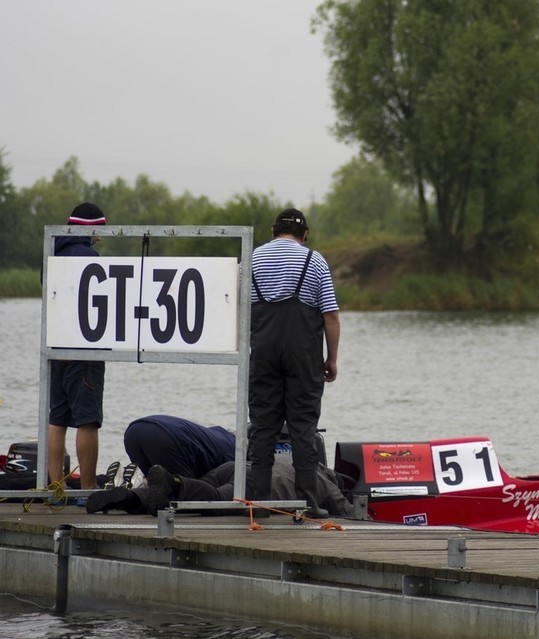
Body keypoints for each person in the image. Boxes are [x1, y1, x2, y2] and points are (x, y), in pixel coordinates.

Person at [247, 208, 340, 517]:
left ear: (274, 231)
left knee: (263, 425)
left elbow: (240, 310)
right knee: (303, 425)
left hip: (264, 351)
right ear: (306, 235)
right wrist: (332, 359)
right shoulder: (315, 260)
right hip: (304, 354)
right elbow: (330, 315)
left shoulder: (254, 258)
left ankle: (258, 502)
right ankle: (307, 503)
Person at [47, 202, 108, 491]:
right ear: (91, 228)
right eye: (99, 230)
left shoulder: (52, 252)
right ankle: (87, 489)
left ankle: (55, 488)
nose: (100, 237)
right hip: (84, 348)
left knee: (57, 418)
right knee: (88, 420)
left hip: (55, 345)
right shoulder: (88, 257)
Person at [85, 454, 350, 517]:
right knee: (214, 499)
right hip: (252, 481)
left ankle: (132, 497)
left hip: (235, 466)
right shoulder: (324, 480)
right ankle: (173, 481)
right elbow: (345, 510)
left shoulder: (293, 458)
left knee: (196, 490)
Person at [123, 415, 235, 478]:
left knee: (154, 485)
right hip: (166, 436)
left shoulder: (218, 435)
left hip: (133, 431)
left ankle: (122, 491)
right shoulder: (234, 455)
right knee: (184, 492)